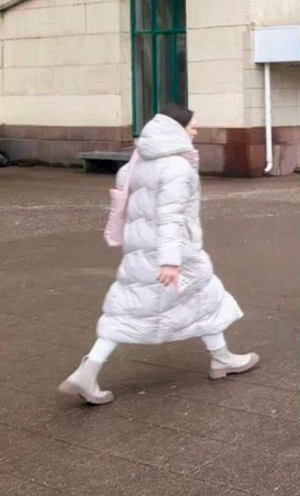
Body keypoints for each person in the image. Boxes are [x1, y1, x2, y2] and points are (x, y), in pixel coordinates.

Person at [59, 105, 256, 405]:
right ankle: (222, 358)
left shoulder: (136, 164)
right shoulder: (176, 167)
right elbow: (171, 216)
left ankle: (89, 369)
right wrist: (171, 261)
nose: (195, 131)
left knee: (133, 309)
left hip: (140, 252)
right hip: (174, 253)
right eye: (191, 126)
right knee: (204, 297)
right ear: (176, 129)